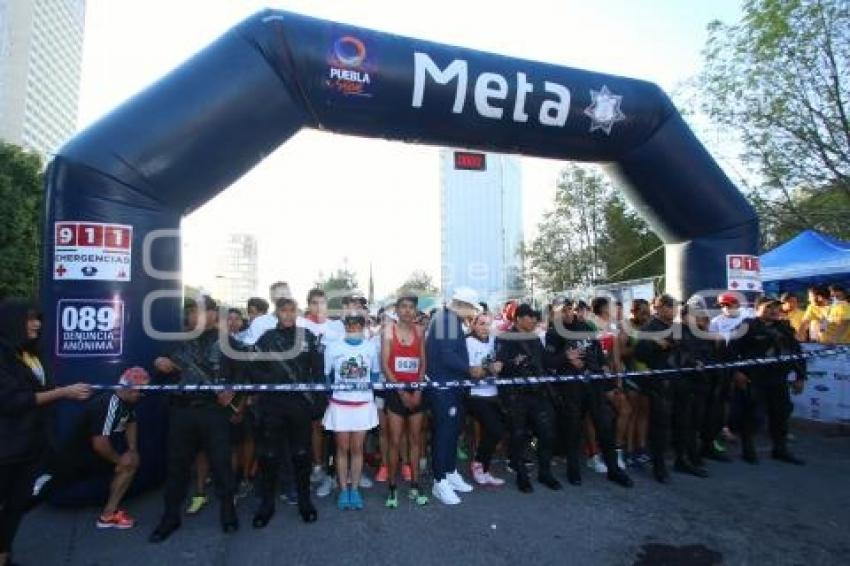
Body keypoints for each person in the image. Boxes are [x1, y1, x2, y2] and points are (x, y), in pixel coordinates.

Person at [0, 299, 92, 565]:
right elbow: (13, 401)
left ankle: (4, 555)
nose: (37, 324)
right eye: (30, 319)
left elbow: (39, 391)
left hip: (32, 443)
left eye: (38, 319)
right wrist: (63, 393)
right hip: (7, 446)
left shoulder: (31, 354)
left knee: (16, 505)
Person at [149, 296, 239, 543]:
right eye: (190, 312)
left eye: (198, 311)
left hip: (214, 412)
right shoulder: (178, 341)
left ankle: (228, 512)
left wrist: (234, 392)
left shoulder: (227, 342)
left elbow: (246, 374)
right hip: (182, 411)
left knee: (221, 465)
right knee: (176, 466)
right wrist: (159, 363)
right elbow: (160, 370)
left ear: (212, 315)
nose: (192, 316)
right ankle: (170, 517)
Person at [45, 367, 150, 529]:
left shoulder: (126, 402)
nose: (142, 395)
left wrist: (132, 449)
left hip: (91, 453)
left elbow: (131, 421)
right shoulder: (109, 404)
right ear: (128, 389)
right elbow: (100, 444)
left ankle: (108, 515)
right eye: (140, 391)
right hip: (76, 458)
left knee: (131, 463)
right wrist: (119, 461)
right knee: (36, 495)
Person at [544, 297, 632, 488]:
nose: (567, 313)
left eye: (569, 309)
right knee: (573, 430)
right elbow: (548, 363)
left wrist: (598, 368)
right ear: (554, 312)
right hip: (570, 389)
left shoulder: (584, 326)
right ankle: (573, 470)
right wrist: (566, 358)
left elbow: (598, 354)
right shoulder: (552, 333)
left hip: (593, 385)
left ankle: (613, 469)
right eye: (562, 310)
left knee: (605, 427)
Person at [251, 297, 323, 527]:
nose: (289, 315)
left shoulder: (307, 337)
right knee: (269, 456)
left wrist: (319, 404)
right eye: (284, 311)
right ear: (277, 314)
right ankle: (266, 506)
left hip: (300, 405)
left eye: (293, 311)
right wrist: (270, 380)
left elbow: (318, 371)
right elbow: (252, 367)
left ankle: (305, 502)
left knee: (302, 454)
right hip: (272, 405)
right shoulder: (267, 338)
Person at [730, 296, 806, 465]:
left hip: (778, 379)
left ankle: (780, 449)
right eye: (768, 307)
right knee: (752, 415)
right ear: (758, 309)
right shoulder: (747, 326)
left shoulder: (785, 328)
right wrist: (736, 372)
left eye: (776, 308)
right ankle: (748, 449)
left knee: (780, 415)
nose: (773, 311)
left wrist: (801, 376)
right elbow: (731, 351)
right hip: (753, 379)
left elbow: (797, 353)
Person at [497, 303, 562, 493]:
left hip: (538, 393)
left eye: (535, 317)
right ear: (518, 319)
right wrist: (514, 363)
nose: (534, 320)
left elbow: (546, 361)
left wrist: (566, 355)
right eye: (530, 317)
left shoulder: (534, 338)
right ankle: (522, 476)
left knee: (547, 433)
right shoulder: (506, 337)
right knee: (519, 436)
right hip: (516, 395)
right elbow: (500, 365)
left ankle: (545, 472)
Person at [323, 311, 381, 510]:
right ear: (344, 325)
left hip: (362, 405)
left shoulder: (371, 347)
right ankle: (343, 489)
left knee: (357, 448)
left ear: (363, 325)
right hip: (340, 405)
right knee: (341, 448)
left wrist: (365, 390)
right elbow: (327, 376)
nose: (353, 327)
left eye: (357, 323)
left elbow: (374, 374)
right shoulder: (333, 347)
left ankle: (354, 489)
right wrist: (334, 394)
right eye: (349, 323)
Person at [426, 288, 478, 505]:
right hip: (443, 388)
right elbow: (447, 355)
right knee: (445, 434)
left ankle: (449, 472)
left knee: (452, 432)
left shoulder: (448, 319)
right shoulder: (446, 320)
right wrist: (470, 369)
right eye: (471, 308)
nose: (472, 313)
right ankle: (439, 481)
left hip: (451, 387)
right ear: (463, 304)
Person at [382, 295, 429, 507]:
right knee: (394, 440)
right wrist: (402, 392)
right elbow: (385, 366)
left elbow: (422, 363)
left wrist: (417, 390)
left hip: (416, 390)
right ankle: (392, 486)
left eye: (411, 307)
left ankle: (415, 485)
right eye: (404, 307)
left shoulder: (420, 331)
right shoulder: (388, 331)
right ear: (397, 310)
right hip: (395, 390)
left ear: (415, 310)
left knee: (415, 440)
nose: (408, 311)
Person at [297, 288, 344, 499]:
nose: (318, 307)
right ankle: (318, 466)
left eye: (322, 303)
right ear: (308, 305)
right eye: (314, 303)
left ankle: (337, 472)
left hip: (335, 381)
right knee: (315, 425)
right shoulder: (300, 325)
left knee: (337, 428)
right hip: (310, 381)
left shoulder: (337, 326)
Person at [634, 294, 684, 483]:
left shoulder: (676, 327)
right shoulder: (649, 328)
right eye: (672, 307)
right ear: (661, 307)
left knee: (681, 421)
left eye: (676, 307)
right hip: (659, 382)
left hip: (678, 379)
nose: (675, 310)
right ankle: (659, 466)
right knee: (660, 426)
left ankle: (681, 459)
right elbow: (639, 354)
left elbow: (681, 348)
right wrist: (655, 345)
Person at [465, 312, 506, 487]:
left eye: (488, 324)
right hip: (476, 395)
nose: (485, 327)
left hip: (493, 393)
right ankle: (477, 464)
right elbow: (473, 372)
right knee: (494, 429)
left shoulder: (493, 341)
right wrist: (490, 368)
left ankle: (484, 468)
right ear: (473, 325)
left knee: (496, 431)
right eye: (481, 324)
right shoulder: (467, 342)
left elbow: (498, 364)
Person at [619, 299, 652, 467]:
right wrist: (637, 349)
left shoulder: (651, 325)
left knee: (644, 413)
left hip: (649, 375)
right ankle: (629, 450)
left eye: (648, 312)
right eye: (643, 312)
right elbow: (620, 351)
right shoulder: (627, 327)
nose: (646, 316)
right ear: (634, 312)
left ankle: (642, 447)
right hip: (633, 375)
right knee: (632, 413)